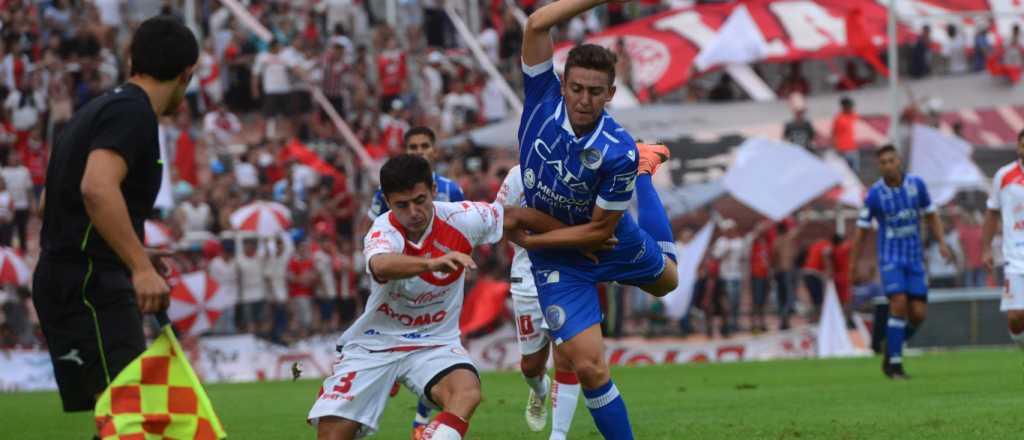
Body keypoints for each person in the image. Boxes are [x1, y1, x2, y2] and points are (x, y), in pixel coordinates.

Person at [513, 1, 681, 437]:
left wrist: (530, 240)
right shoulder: (541, 97)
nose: (583, 99)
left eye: (594, 91)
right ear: (563, 84)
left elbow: (599, 232)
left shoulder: (617, 148)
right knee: (589, 366)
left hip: (601, 235)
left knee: (669, 283)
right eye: (577, 88)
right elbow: (536, 22)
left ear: (610, 94)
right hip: (562, 260)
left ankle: (646, 173)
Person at [31, 17, 197, 416]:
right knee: (132, 416)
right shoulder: (133, 113)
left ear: (129, 59)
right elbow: (96, 188)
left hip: (70, 280)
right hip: (90, 285)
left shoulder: (97, 109)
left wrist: (132, 251)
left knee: (119, 417)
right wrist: (139, 267)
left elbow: (48, 203)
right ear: (187, 74)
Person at [308, 154, 507, 440]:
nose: (414, 211)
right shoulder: (383, 229)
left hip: (434, 341)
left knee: (466, 393)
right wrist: (432, 262)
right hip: (374, 343)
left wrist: (572, 236)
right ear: (388, 202)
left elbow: (511, 217)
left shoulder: (463, 217)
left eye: (420, 200)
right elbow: (381, 264)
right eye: (402, 205)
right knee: (332, 435)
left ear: (434, 191)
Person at [850, 145, 953, 380]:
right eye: (883, 162)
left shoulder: (917, 185)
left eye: (891, 160)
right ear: (879, 166)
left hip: (915, 259)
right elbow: (862, 231)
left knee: (918, 313)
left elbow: (931, 215)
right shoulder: (875, 194)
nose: (887, 165)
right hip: (890, 259)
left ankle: (892, 345)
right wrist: (853, 264)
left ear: (899, 161)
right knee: (898, 303)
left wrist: (942, 243)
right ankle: (895, 365)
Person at [495, 165, 580, 440]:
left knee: (566, 357)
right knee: (531, 366)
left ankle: (558, 435)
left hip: (568, 275)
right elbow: (498, 218)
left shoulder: (577, 170)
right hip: (527, 277)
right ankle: (540, 388)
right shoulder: (519, 175)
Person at [982, 129, 1024, 351]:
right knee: (1016, 318)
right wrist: (985, 249)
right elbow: (991, 213)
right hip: (1015, 258)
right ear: (1018, 146)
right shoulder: (1004, 176)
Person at [831, 96, 859, 172]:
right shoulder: (838, 118)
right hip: (842, 150)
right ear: (844, 106)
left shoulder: (854, 116)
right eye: (849, 105)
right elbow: (833, 134)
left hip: (853, 148)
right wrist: (836, 148)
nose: (851, 107)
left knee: (855, 172)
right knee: (845, 172)